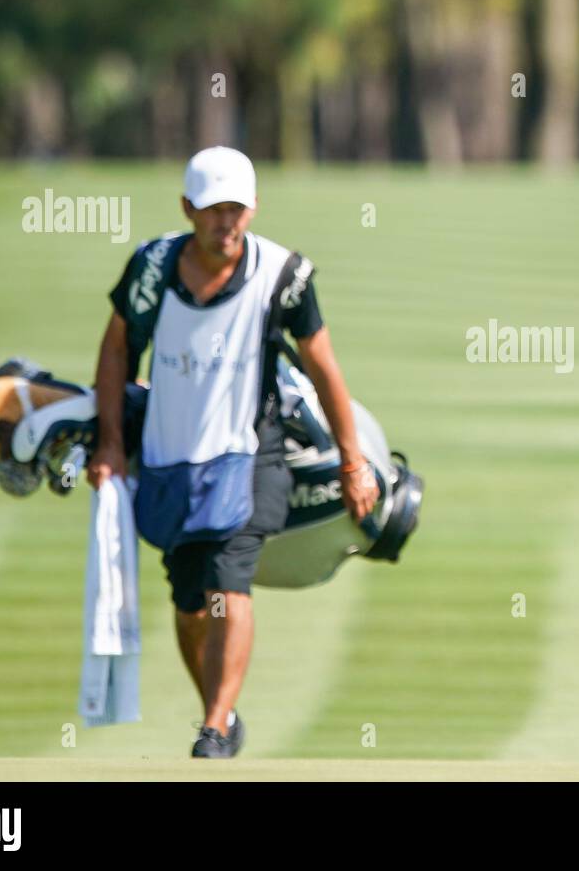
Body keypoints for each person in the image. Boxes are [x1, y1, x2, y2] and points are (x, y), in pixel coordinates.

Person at [86, 146, 379, 758]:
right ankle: (220, 708)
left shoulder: (284, 276)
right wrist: (111, 443)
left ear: (253, 208)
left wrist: (353, 463)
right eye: (215, 210)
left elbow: (325, 368)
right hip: (171, 456)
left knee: (229, 579)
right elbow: (117, 350)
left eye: (238, 210)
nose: (228, 223)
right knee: (192, 599)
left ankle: (215, 728)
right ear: (188, 208)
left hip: (252, 456)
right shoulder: (152, 269)